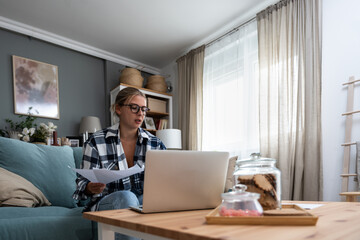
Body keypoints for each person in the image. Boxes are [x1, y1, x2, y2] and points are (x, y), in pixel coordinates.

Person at [73, 87, 166, 239]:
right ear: (118, 109)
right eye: (134, 107)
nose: (140, 113)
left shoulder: (156, 144)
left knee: (152, 202)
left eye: (143, 109)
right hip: (107, 202)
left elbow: (166, 181)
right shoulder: (96, 141)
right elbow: (81, 186)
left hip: (141, 200)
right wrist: (90, 187)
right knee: (127, 198)